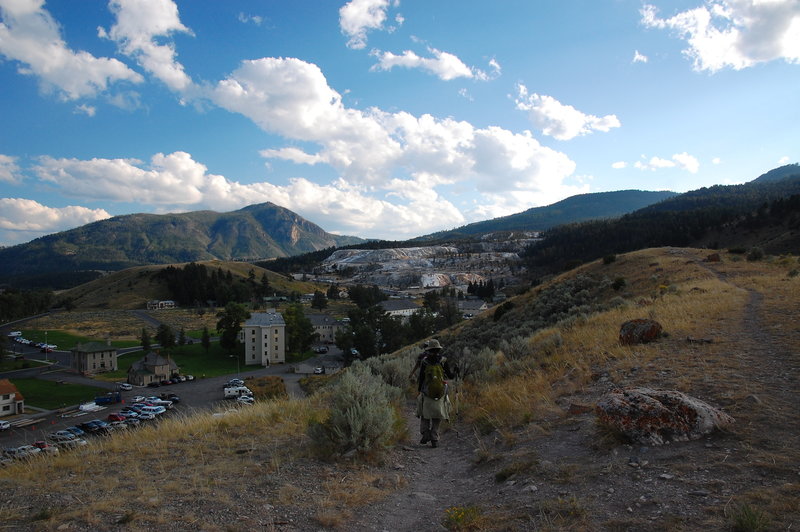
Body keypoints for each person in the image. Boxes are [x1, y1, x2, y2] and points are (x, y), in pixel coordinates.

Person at [412, 339, 453, 448]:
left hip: (427, 392)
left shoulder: (424, 362)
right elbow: (450, 376)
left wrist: (420, 390)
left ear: (428, 349)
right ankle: (434, 437)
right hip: (440, 392)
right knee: (437, 415)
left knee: (425, 414)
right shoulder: (443, 361)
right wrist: (456, 371)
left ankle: (425, 434)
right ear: (439, 349)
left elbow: (421, 378)